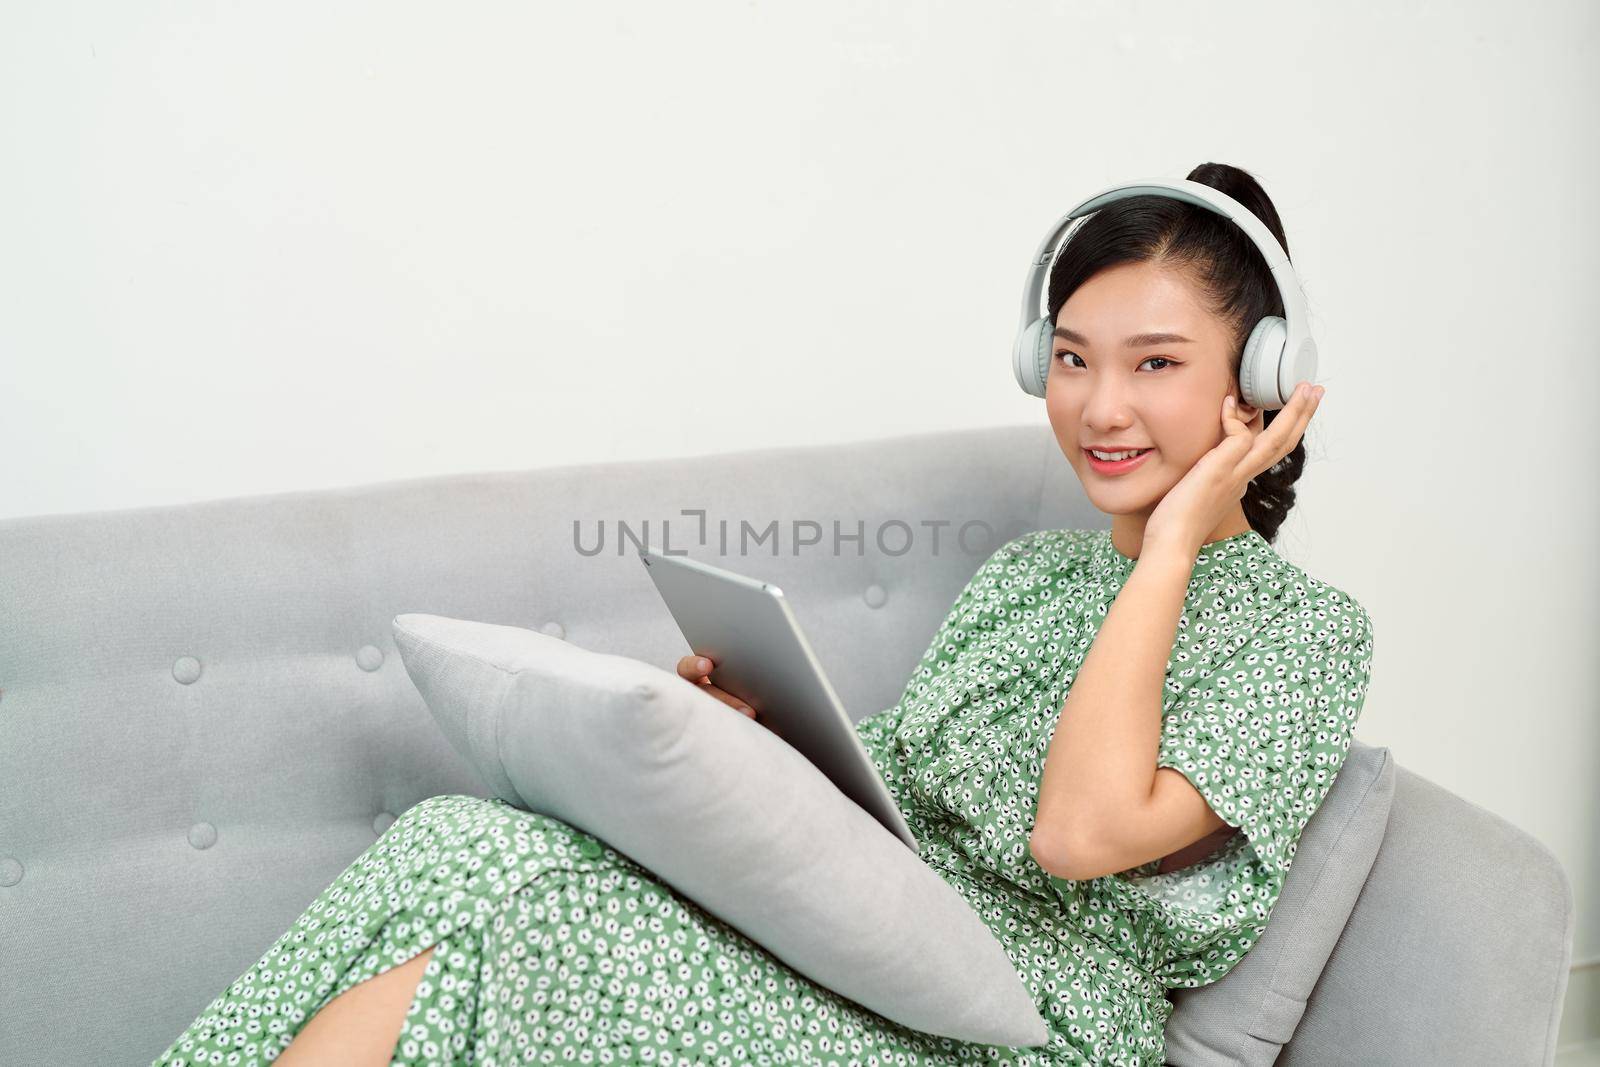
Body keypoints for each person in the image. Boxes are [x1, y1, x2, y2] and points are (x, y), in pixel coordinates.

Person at [150, 161, 1374, 1066]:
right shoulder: (1030, 576)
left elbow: (1077, 832)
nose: (1099, 405)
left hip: (1007, 1028)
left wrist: (1168, 550)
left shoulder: (1304, 634)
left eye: (1154, 363)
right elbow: (887, 797)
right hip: (858, 946)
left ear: (1257, 383)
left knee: (509, 905)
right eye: (1069, 357)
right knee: (466, 843)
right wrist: (749, 741)